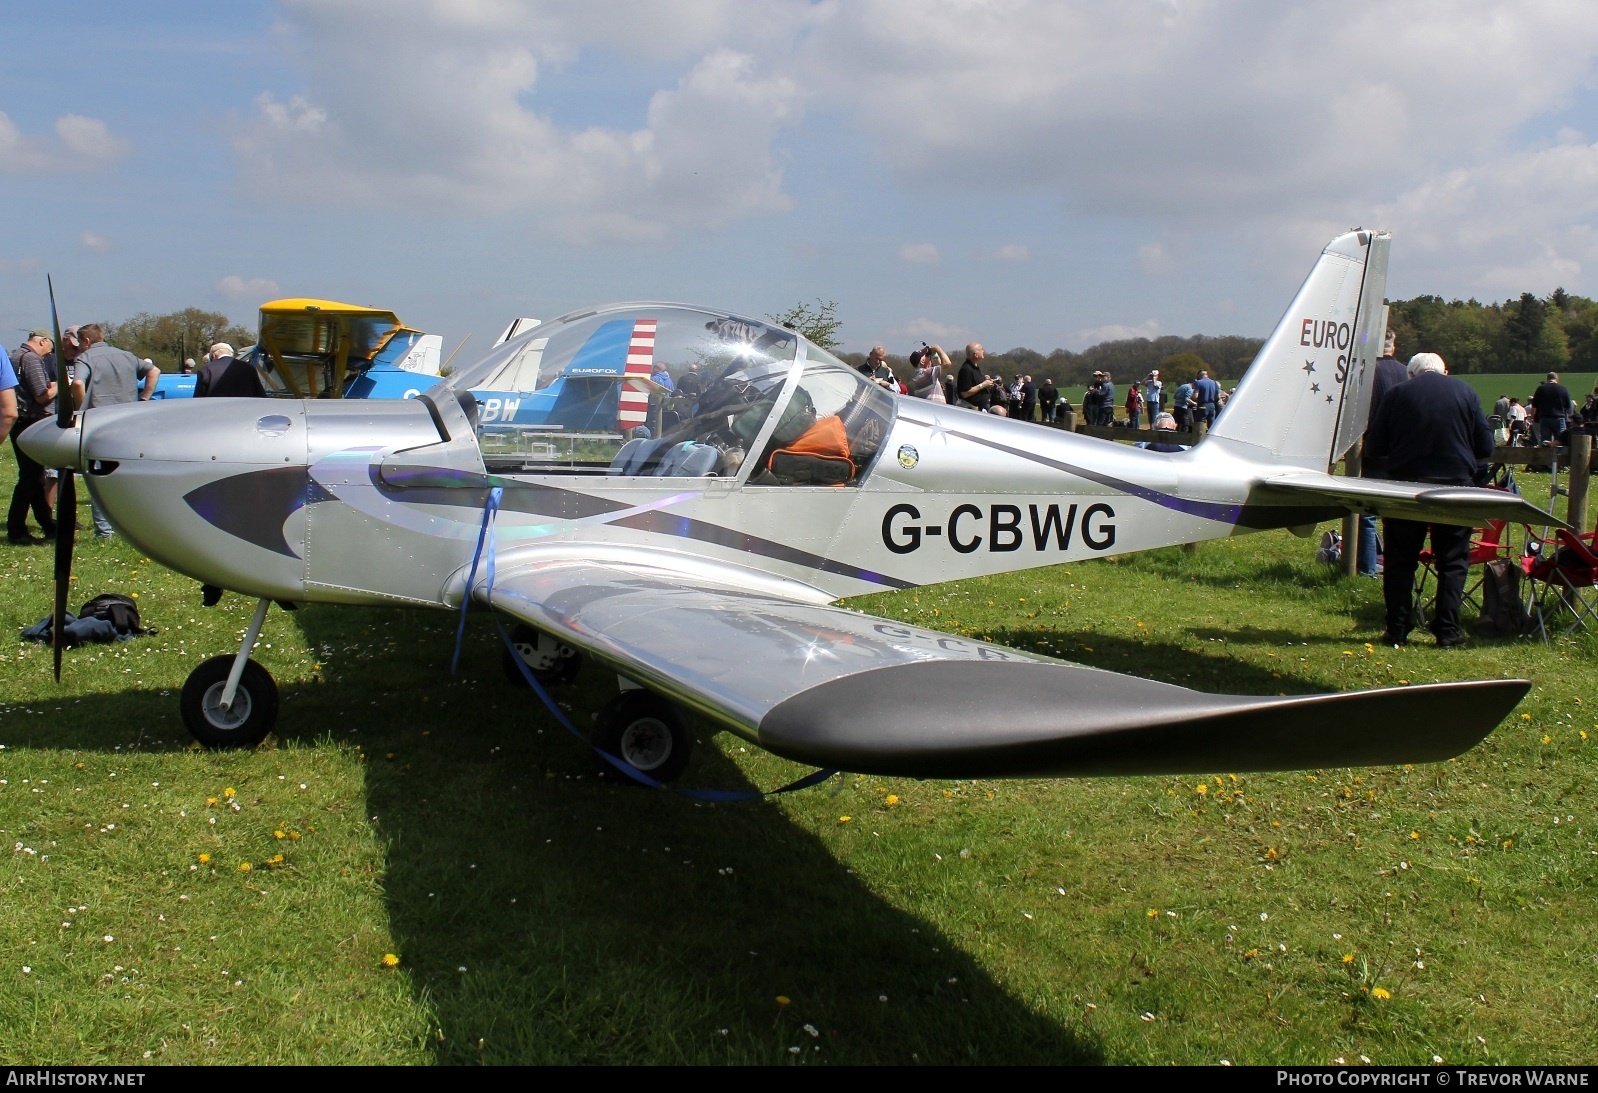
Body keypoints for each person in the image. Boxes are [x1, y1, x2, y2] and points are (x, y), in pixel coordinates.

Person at [1364, 352, 1493, 648]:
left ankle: (1397, 628)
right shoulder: (1466, 392)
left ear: (1411, 374)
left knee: (1400, 561)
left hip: (1406, 487)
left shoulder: (1397, 394)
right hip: (1455, 487)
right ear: (1444, 372)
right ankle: (1447, 630)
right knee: (1453, 561)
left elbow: (1374, 446)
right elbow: (1485, 446)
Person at [72, 323, 158, 537]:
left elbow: (77, 384)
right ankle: (133, 526)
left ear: (86, 341)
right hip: (129, 420)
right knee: (131, 473)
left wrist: (83, 410)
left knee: (100, 474)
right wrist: (144, 399)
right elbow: (154, 371)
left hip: (100, 423)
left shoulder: (86, 358)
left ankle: (104, 531)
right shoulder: (127, 356)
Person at [1355, 330, 1411, 577]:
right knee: (1396, 515)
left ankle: (1367, 568)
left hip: (1373, 448)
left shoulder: (1367, 373)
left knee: (1367, 515)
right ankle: (1395, 566)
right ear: (1393, 346)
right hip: (1401, 450)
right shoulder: (1407, 373)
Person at [8, 330, 59, 544]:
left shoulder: (14, 356)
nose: (49, 355)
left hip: (19, 422)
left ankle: (47, 524)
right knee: (29, 478)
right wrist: (60, 386)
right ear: (43, 340)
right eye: (49, 350)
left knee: (35, 476)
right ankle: (16, 529)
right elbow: (42, 393)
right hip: (32, 421)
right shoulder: (31, 359)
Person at [193, 342, 266, 398]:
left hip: (216, 413)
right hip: (244, 412)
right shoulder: (249, 368)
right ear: (231, 354)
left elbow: (198, 398)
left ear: (214, 355)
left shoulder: (206, 369)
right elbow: (260, 395)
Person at [1530, 371, 1573, 446]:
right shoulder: (1563, 389)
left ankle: (1546, 456)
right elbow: (1568, 406)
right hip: (1559, 418)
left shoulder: (1540, 389)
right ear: (1557, 379)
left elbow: (1534, 405)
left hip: (1544, 418)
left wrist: (1533, 418)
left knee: (1545, 441)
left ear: (1547, 379)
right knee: (1561, 440)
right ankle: (1559, 456)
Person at [955, 343, 995, 409]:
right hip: (970, 408)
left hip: (980, 407)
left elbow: (975, 384)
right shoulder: (966, 369)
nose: (983, 351)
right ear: (976, 355)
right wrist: (983, 385)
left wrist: (987, 383)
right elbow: (964, 393)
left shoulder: (975, 368)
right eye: (981, 349)